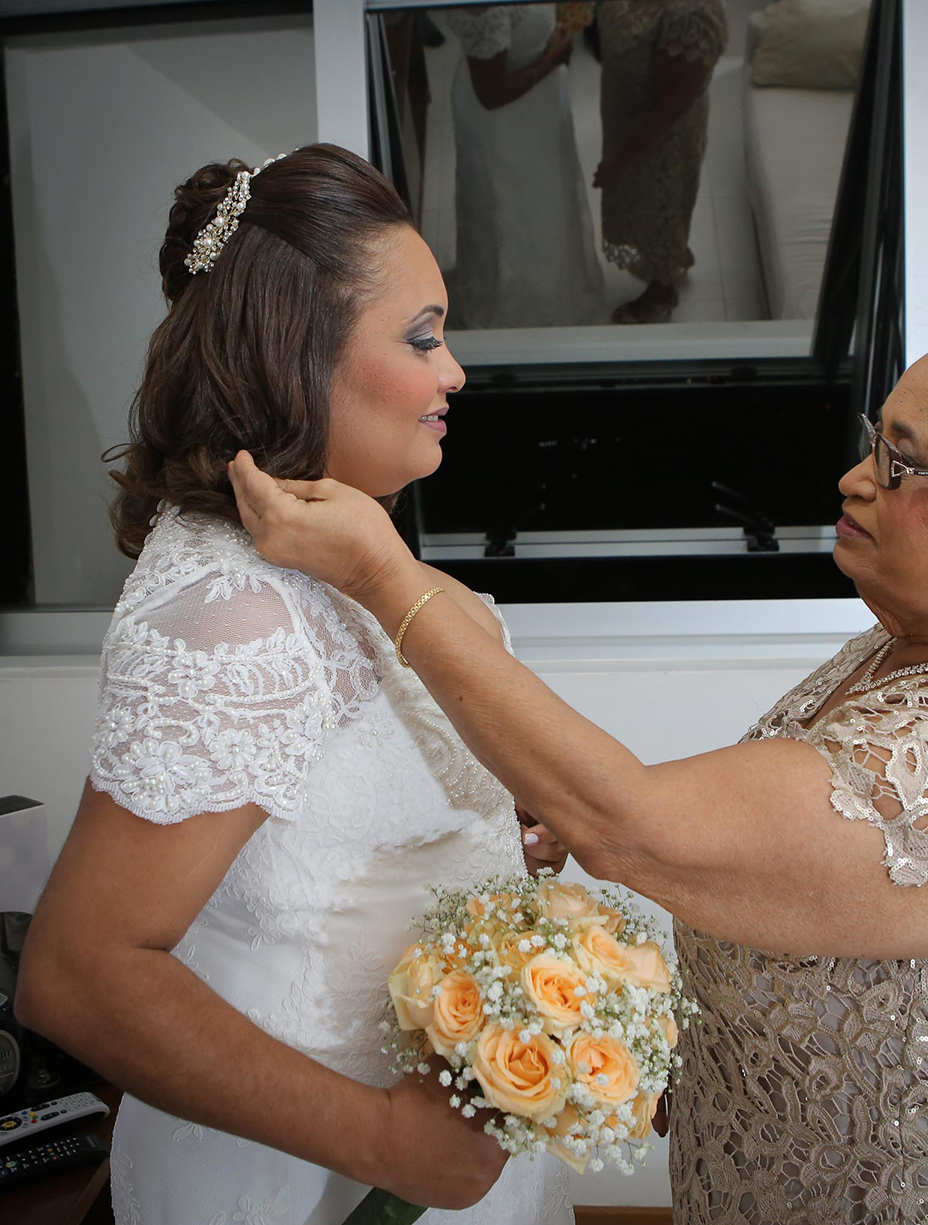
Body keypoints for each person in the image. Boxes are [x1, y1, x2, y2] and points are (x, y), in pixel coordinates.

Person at [226, 308, 928, 1224]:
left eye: (902, 467)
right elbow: (816, 856)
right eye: (876, 437)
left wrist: (379, 572)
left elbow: (638, 825)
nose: (855, 480)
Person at [15, 144, 573, 1225]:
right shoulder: (237, 616)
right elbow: (77, 972)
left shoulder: (340, 556)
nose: (455, 372)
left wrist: (484, 833)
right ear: (297, 356)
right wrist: (383, 1142)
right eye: (422, 338)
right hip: (305, 1182)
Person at [443, 3, 605, 329]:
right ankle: (511, 305)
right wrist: (550, 60)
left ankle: (552, 285)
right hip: (505, 122)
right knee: (512, 205)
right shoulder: (485, 9)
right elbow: (491, 93)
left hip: (536, 107)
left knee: (546, 200)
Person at [595, 0, 728, 323]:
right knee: (639, 201)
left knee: (661, 204)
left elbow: (675, 101)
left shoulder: (691, 14)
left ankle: (661, 291)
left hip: (661, 134)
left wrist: (620, 160)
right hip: (629, 117)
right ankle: (667, 259)